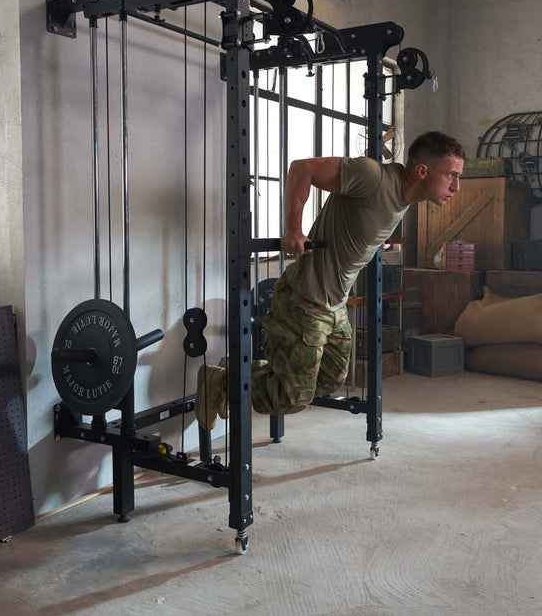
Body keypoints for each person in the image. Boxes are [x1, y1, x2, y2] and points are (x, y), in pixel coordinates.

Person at [197, 131, 467, 428]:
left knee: (330, 379)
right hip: (305, 298)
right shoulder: (373, 176)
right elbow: (303, 168)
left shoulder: (404, 198)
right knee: (292, 398)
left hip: (334, 305)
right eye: (451, 175)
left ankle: (246, 373)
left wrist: (374, 242)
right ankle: (223, 380)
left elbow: (361, 222)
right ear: (422, 171)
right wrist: (293, 230)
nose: (456, 186)